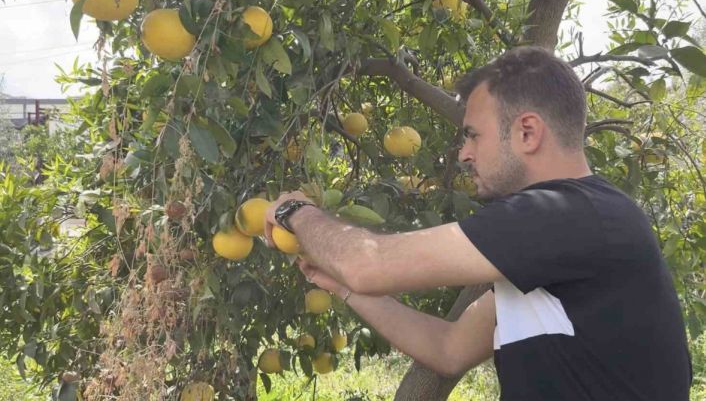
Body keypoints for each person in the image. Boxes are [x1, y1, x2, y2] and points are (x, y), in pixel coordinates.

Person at [263, 47, 692, 400]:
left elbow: (370, 263)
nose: (463, 154)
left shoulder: (570, 214)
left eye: (473, 135)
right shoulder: (557, 243)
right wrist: (344, 288)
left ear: (527, 132)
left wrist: (294, 211)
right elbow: (449, 349)